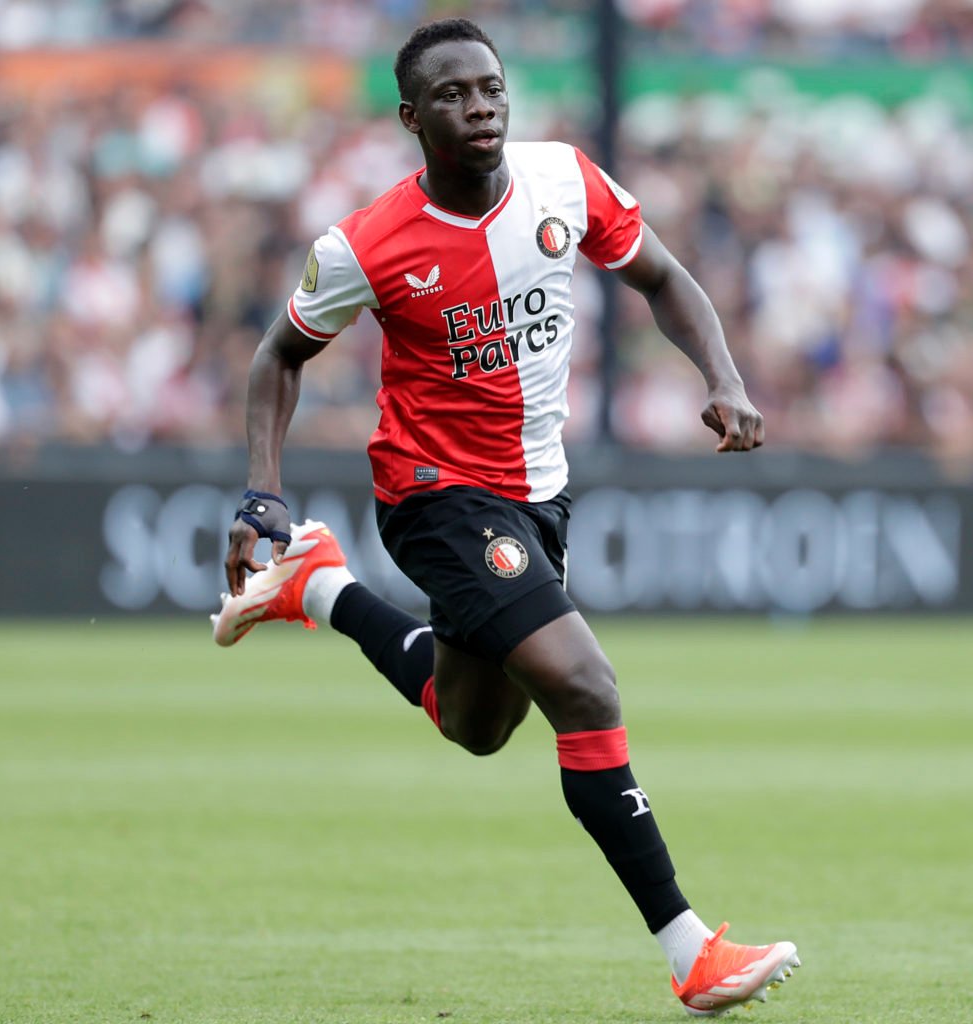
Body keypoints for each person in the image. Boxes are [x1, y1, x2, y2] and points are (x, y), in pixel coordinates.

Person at [212, 18, 799, 1017]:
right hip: (433, 491)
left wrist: (724, 375)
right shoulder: (367, 243)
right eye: (453, 94)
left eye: (490, 87)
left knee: (476, 726)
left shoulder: (563, 182)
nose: (480, 105)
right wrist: (262, 488)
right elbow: (278, 357)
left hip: (538, 490)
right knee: (585, 683)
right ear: (411, 117)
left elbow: (662, 275)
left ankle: (319, 582)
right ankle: (689, 949)